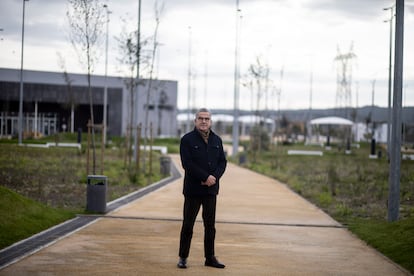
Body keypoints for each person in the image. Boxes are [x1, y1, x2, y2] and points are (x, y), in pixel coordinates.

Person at [177, 108, 227, 269]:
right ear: (195, 121)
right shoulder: (187, 140)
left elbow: (222, 162)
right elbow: (187, 164)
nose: (204, 121)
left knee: (210, 226)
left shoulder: (217, 140)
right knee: (188, 225)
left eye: (206, 119)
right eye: (201, 118)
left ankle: (210, 257)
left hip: (211, 191)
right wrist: (205, 177)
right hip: (193, 190)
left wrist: (214, 178)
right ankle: (183, 257)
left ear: (210, 121)